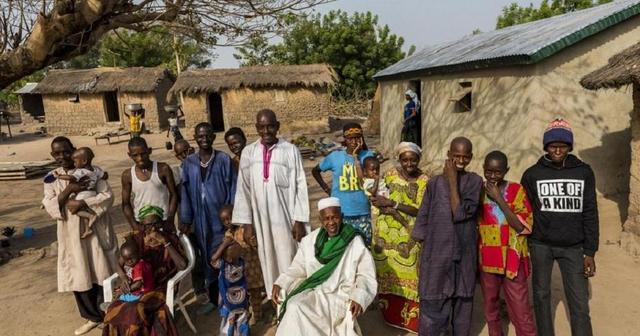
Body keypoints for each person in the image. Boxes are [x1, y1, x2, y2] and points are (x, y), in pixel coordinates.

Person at [521, 119, 599, 336]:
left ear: (569, 147)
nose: (557, 149)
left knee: (579, 303)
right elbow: (525, 212)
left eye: (563, 145)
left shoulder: (583, 172)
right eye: (552, 145)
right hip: (540, 245)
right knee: (541, 296)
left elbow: (590, 212)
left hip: (574, 247)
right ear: (545, 146)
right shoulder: (532, 174)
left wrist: (590, 251)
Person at [42, 137, 118, 336]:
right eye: (57, 153)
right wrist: (70, 190)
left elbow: (107, 196)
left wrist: (83, 204)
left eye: (66, 152)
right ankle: (91, 317)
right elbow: (50, 204)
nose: (62, 156)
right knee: (79, 273)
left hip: (96, 230)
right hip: (70, 233)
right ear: (52, 156)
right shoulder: (51, 177)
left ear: (74, 151)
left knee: (101, 269)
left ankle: (108, 314)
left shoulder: (92, 171)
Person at [233, 108, 310, 300]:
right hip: (261, 221)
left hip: (286, 220)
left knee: (290, 259)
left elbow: (301, 186)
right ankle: (278, 305)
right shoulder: (248, 153)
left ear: (277, 127)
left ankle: (293, 302)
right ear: (256, 128)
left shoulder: (290, 150)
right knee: (267, 260)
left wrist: (299, 220)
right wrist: (248, 224)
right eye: (262, 127)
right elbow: (243, 189)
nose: (266, 131)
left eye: (270, 127)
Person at [272, 197, 377, 336]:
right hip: (314, 291)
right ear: (321, 221)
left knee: (304, 311)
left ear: (342, 217)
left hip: (339, 295)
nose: (331, 222)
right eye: (326, 219)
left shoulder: (354, 241)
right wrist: (281, 282)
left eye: (335, 217)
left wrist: (359, 296)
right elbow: (298, 267)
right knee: (294, 306)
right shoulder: (310, 241)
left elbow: (366, 274)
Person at [411, 137, 483, 336]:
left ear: (471, 157)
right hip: (437, 254)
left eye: (465, 156)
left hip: (464, 253)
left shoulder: (475, 182)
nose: (460, 160)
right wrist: (420, 253)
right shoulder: (434, 183)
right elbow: (424, 214)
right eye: (456, 155)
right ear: (448, 155)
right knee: (433, 301)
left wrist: (452, 180)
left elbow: (460, 213)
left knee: (462, 302)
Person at [368, 142, 427, 332]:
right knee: (386, 268)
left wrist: (393, 204)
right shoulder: (390, 174)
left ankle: (411, 317)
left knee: (411, 271)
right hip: (386, 232)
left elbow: (419, 210)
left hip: (409, 232)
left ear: (419, 159)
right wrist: (377, 200)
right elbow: (378, 194)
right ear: (400, 160)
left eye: (413, 159)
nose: (409, 163)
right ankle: (389, 315)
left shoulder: (425, 180)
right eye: (405, 159)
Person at [103, 206, 187, 336]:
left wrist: (165, 242)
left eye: (155, 224)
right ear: (142, 224)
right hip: (137, 286)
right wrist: (123, 277)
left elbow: (182, 265)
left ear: (161, 223)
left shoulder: (169, 238)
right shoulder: (137, 240)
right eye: (148, 225)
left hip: (160, 287)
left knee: (135, 309)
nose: (152, 229)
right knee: (117, 308)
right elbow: (119, 263)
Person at [180, 122, 237, 314]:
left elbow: (232, 188)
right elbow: (185, 192)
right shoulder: (189, 163)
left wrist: (231, 215)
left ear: (213, 137)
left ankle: (233, 299)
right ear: (195, 138)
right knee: (207, 260)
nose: (204, 139)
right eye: (200, 136)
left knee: (227, 257)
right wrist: (186, 219)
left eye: (207, 136)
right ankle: (214, 300)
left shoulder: (223, 160)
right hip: (201, 223)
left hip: (221, 220)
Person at [479, 151, 536, 336]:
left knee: (521, 310)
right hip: (488, 259)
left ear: (506, 170)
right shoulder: (478, 191)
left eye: (498, 172)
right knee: (491, 307)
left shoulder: (516, 191)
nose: (493, 176)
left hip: (513, 258)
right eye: (489, 171)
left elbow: (523, 227)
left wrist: (499, 199)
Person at [312, 122, 374, 245]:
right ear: (345, 139)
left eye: (357, 137)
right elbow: (315, 171)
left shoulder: (368, 156)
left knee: (364, 248)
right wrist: (326, 189)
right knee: (343, 250)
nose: (354, 141)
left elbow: (366, 180)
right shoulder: (335, 156)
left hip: (362, 211)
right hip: (341, 214)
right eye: (350, 138)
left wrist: (356, 157)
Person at [211, 205, 265, 325]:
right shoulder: (228, 235)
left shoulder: (244, 229)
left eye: (229, 218)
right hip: (241, 273)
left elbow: (255, 244)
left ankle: (260, 314)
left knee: (257, 292)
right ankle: (253, 315)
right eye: (224, 220)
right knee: (247, 295)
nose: (227, 222)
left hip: (254, 268)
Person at [121, 137, 178, 232]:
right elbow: (125, 204)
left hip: (163, 222)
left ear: (149, 151)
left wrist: (170, 219)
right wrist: (134, 225)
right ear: (129, 155)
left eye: (143, 154)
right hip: (141, 224)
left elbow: (174, 194)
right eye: (135, 155)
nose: (140, 158)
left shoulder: (163, 168)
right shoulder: (127, 175)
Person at [54, 147, 108, 238]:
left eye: (75, 162)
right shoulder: (96, 169)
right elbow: (104, 176)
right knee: (84, 211)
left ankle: (91, 216)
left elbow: (71, 178)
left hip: (83, 194)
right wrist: (104, 175)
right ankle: (88, 229)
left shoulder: (81, 171)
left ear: (84, 161)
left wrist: (59, 176)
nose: (74, 164)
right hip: (92, 193)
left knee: (73, 208)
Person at [358, 156, 408, 228]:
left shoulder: (379, 179)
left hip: (386, 200)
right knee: (394, 212)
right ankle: (406, 225)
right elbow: (373, 192)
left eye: (377, 169)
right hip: (378, 205)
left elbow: (384, 186)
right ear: (365, 172)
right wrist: (376, 180)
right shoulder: (367, 182)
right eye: (372, 170)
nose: (375, 172)